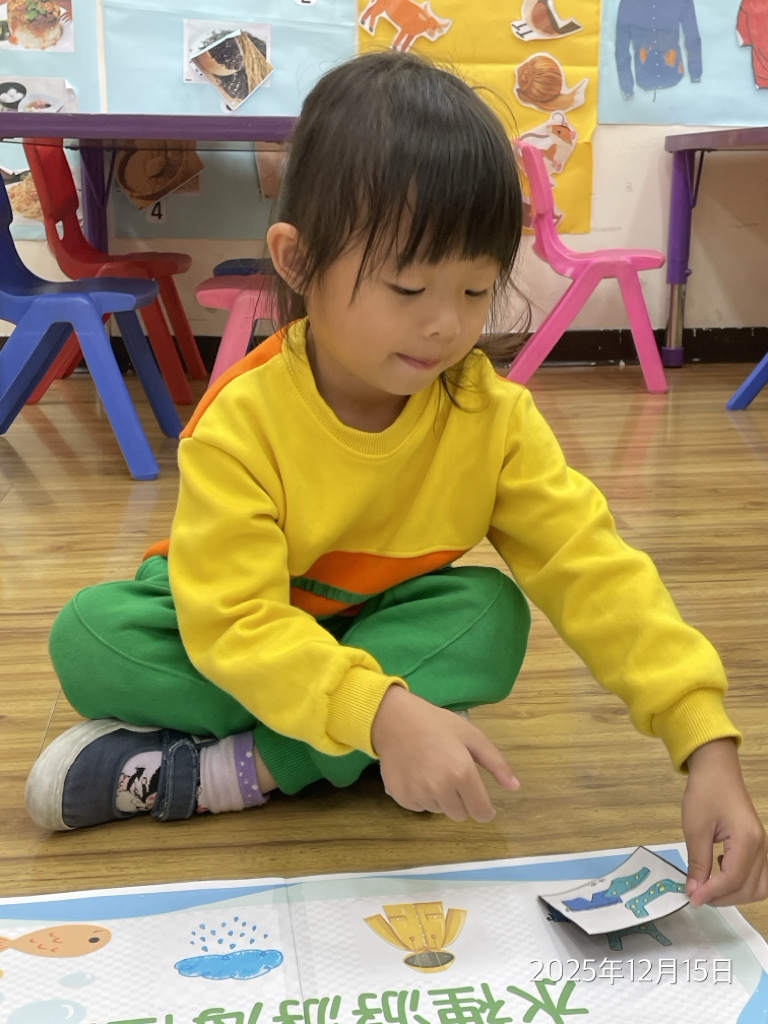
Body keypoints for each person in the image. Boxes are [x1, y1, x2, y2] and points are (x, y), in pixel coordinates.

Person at [26, 50, 767, 908]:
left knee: (488, 618)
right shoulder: (241, 420)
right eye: (409, 286)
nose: (445, 324)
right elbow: (233, 623)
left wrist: (704, 740)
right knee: (91, 636)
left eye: (476, 289)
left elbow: (594, 570)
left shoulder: (491, 418)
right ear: (297, 261)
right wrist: (383, 712)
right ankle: (324, 748)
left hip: (376, 627)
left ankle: (234, 768)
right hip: (244, 618)